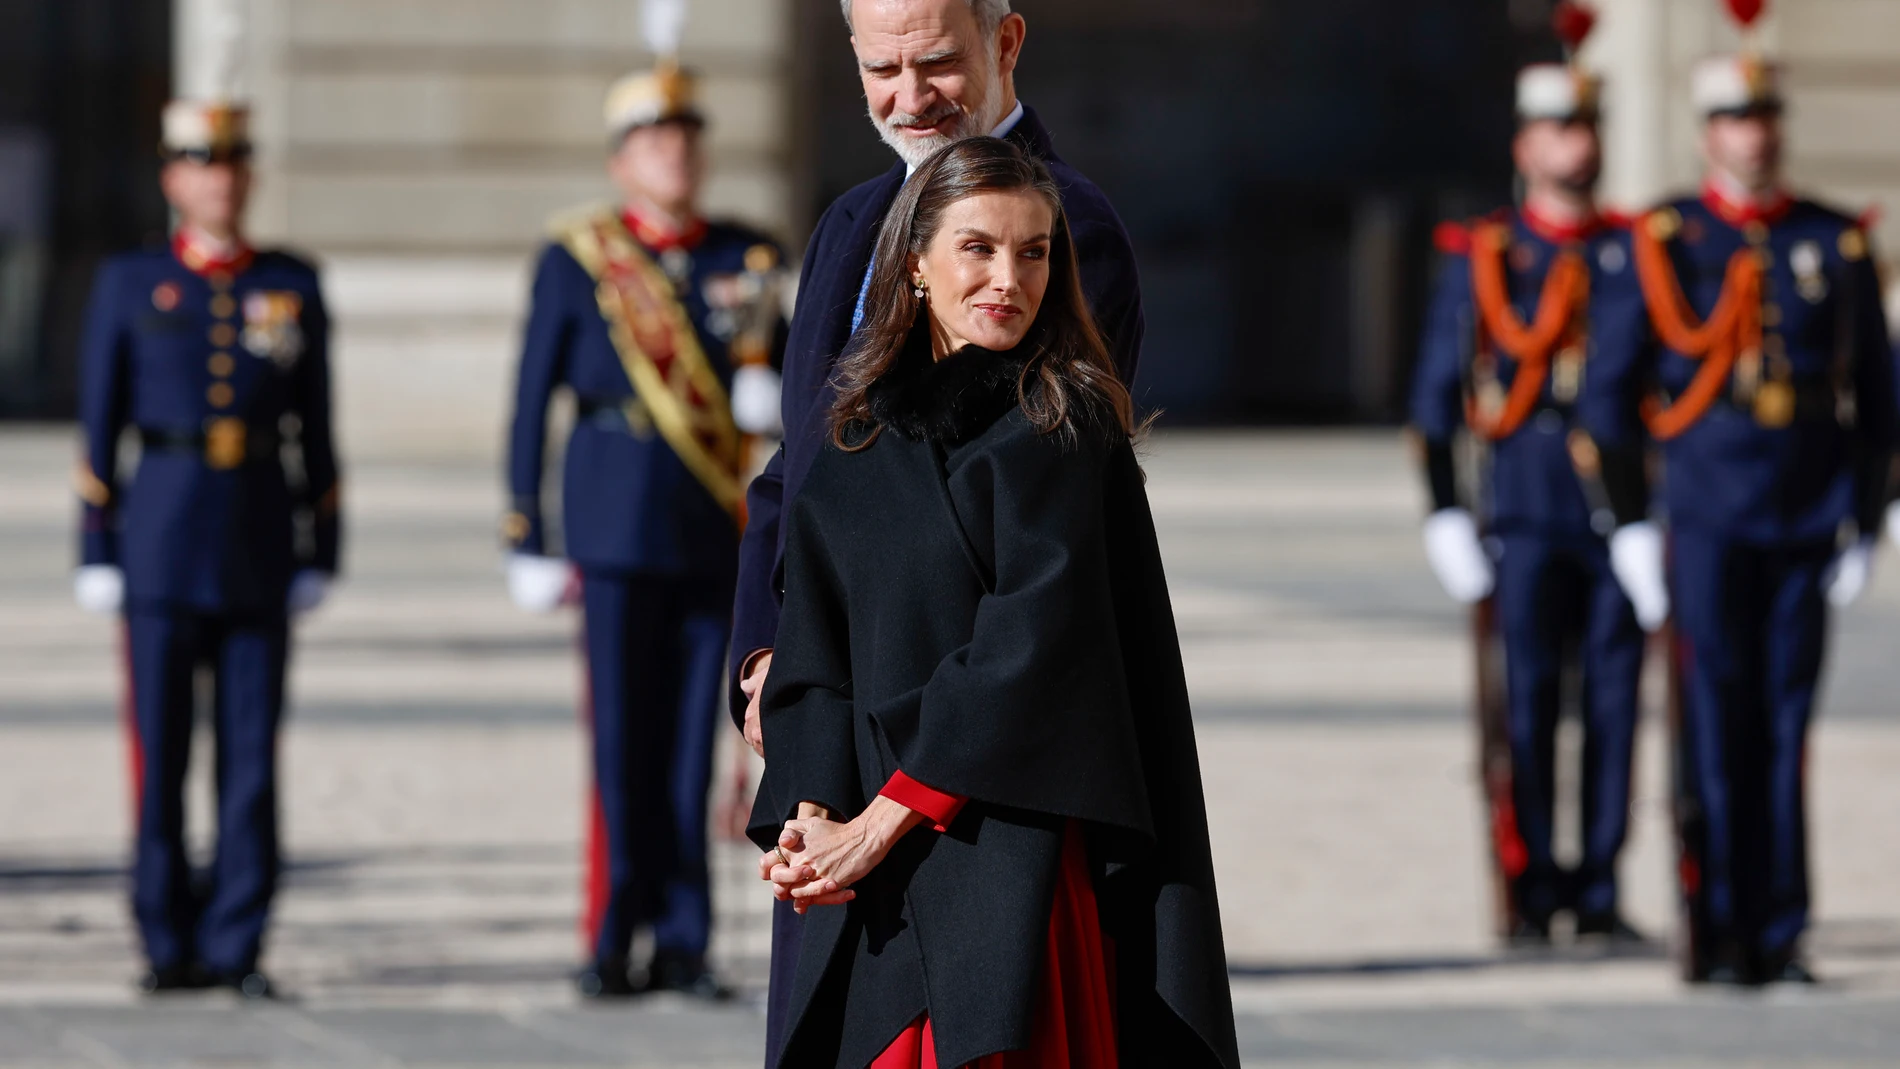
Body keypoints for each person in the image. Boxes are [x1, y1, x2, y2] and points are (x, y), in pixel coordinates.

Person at [751, 136, 1237, 1069]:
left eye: (1034, 251)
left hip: (1010, 863)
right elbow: (813, 649)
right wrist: (810, 817)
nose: (1007, 278)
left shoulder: (1065, 421)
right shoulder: (857, 436)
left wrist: (879, 824)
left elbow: (1029, 649)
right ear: (917, 263)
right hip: (878, 882)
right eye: (978, 247)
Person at [726, 0, 1144, 1055]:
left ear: (1005, 44)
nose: (910, 99)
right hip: (834, 706)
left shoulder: (1064, 225)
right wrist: (769, 657)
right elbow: (797, 470)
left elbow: (1030, 542)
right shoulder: (847, 223)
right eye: (881, 69)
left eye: (937, 64)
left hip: (965, 752)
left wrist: (889, 801)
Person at [1581, 36, 1897, 984]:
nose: (1749, 137)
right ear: (1707, 132)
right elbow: (1610, 394)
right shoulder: (1668, 240)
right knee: (1713, 723)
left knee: (1786, 726)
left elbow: (1879, 402)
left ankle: (1781, 926)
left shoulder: (1833, 239)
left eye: (1761, 119)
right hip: (1709, 513)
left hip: (1804, 517)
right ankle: (1714, 922)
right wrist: (1633, 522)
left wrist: (1870, 518)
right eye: (1731, 119)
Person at [501, 54, 787, 999]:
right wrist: (524, 530)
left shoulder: (742, 256)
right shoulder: (576, 255)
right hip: (613, 526)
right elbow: (531, 398)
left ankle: (687, 941)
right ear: (622, 159)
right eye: (655, 140)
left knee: (691, 755)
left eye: (686, 137)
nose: (675, 153)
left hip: (713, 529)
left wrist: (769, 394)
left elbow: (789, 393)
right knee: (621, 743)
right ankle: (611, 933)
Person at [73, 96, 341, 998]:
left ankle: (237, 941)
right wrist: (95, 544)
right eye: (199, 162)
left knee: (250, 760)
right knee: (162, 754)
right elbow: (100, 421)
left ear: (246, 176)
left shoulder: (291, 282)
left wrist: (321, 543)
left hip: (259, 536)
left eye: (230, 162)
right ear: (173, 178)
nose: (217, 178)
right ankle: (162, 937)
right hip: (158, 536)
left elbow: (319, 429)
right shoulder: (131, 281)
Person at [1409, 22, 1655, 946]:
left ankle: (1597, 886)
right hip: (1521, 511)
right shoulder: (1485, 254)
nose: (1576, 147)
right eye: (1558, 132)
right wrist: (1445, 512)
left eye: (1586, 130)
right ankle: (1528, 885)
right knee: (1524, 712)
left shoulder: (1636, 251)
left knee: (1615, 709)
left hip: (1615, 516)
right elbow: (1435, 397)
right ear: (1527, 147)